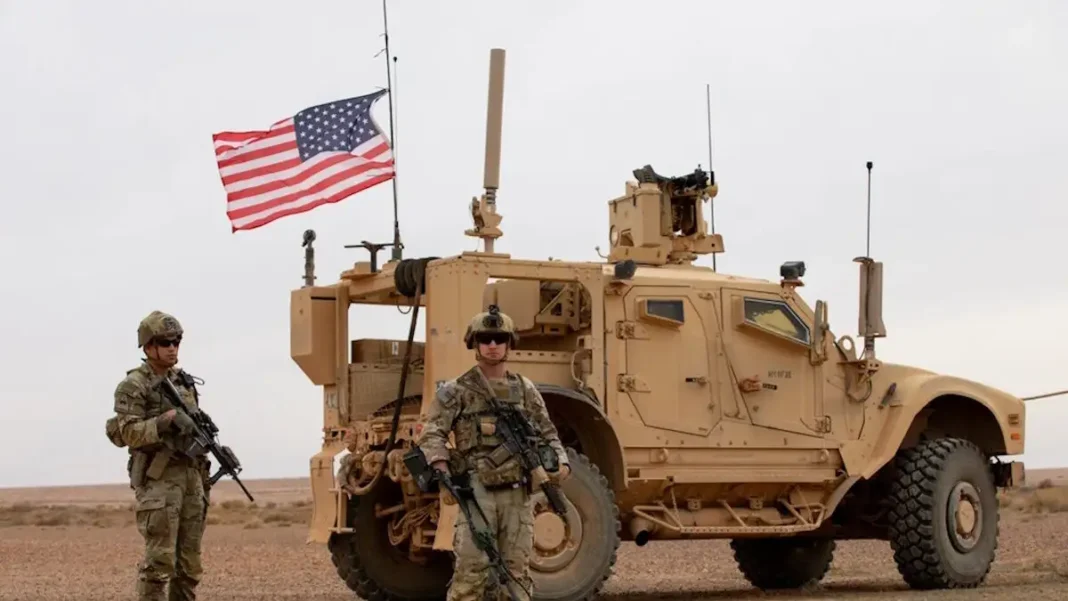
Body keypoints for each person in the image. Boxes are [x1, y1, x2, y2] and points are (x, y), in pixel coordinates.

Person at [416, 304, 572, 601]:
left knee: (516, 575)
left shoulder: (525, 389)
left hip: (517, 494)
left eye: (499, 339)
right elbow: (432, 432)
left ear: (509, 344)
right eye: (484, 339)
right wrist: (442, 468)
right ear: (474, 344)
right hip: (477, 492)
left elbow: (548, 433)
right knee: (471, 572)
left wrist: (559, 463)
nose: (492, 345)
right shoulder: (457, 390)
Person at [104, 310, 211, 601]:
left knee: (189, 565)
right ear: (149, 346)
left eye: (177, 341)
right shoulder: (134, 385)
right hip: (159, 480)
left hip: (191, 477)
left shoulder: (183, 382)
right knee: (159, 563)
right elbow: (127, 432)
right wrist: (164, 422)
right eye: (165, 342)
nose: (173, 348)